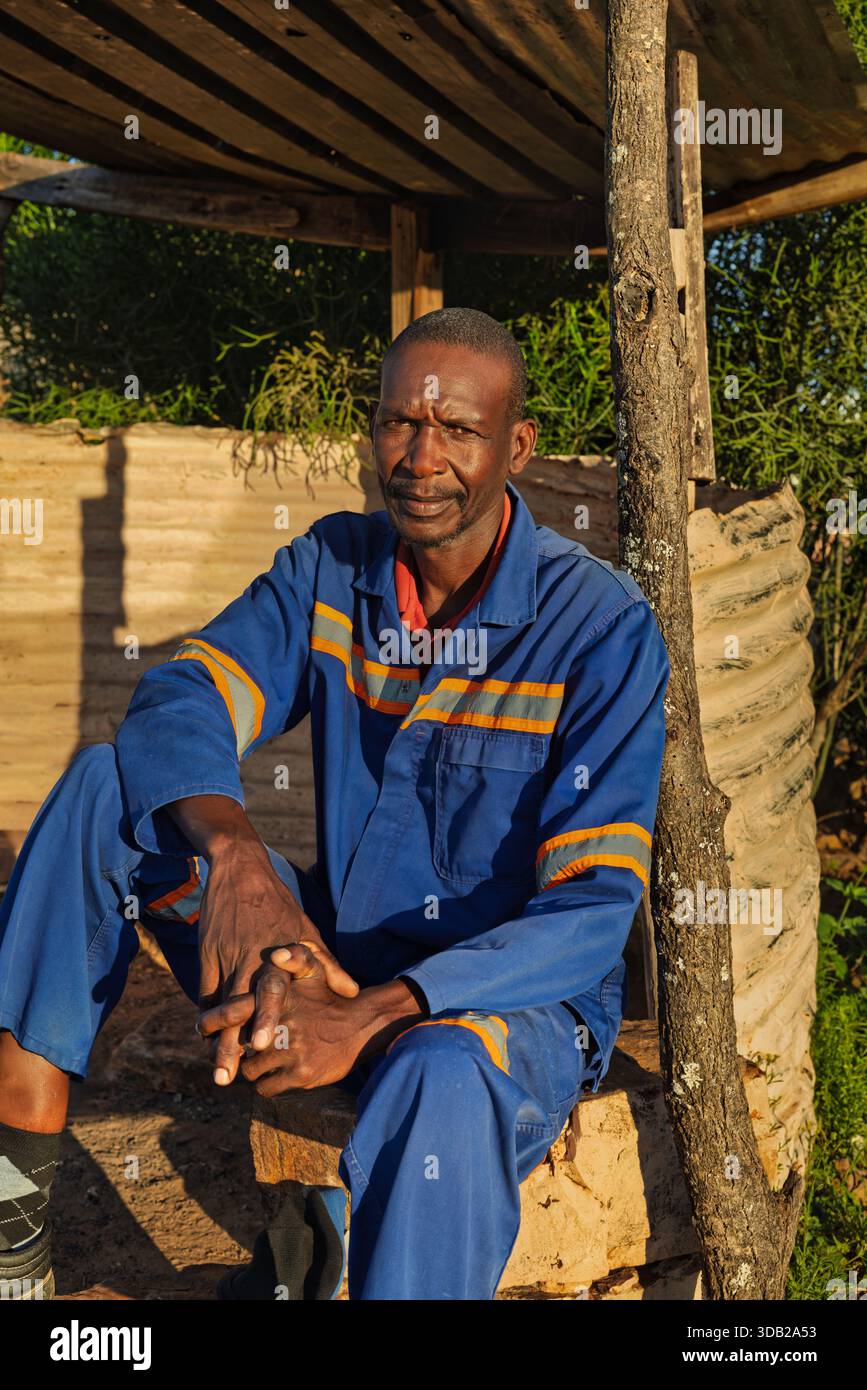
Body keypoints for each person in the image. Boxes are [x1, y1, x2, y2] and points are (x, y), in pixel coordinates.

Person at [0, 307, 669, 1301]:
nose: (422, 456)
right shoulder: (332, 571)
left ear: (518, 446)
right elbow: (178, 699)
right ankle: (14, 1233)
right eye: (401, 423)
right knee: (104, 793)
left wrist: (370, 1018)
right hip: (334, 957)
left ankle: (346, 1241)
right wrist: (236, 861)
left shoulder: (600, 629)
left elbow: (590, 915)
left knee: (443, 1072)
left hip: (504, 1004)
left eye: (459, 430)